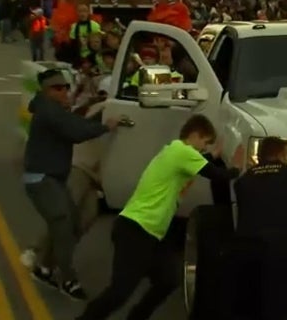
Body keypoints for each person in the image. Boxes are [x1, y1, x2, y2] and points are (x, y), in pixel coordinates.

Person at [77, 114, 244, 320]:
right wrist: (236, 167)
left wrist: (213, 156)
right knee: (119, 292)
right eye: (205, 142)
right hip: (136, 229)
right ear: (195, 134)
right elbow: (218, 175)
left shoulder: (175, 152)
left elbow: (202, 164)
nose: (204, 148)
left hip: (150, 233)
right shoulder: (183, 152)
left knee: (168, 279)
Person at [23, 69, 120, 300]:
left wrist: (100, 113)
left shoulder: (57, 110)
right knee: (63, 223)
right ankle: (68, 280)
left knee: (78, 220)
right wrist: (107, 125)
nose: (64, 91)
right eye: (57, 88)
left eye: (65, 87)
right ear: (46, 91)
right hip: (41, 178)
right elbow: (76, 131)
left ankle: (44, 267)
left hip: (54, 178)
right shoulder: (48, 111)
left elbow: (77, 122)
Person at [227, 136, 287, 320]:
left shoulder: (244, 180)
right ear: (280, 154)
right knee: (278, 299)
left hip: (248, 246)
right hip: (282, 246)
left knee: (252, 298)